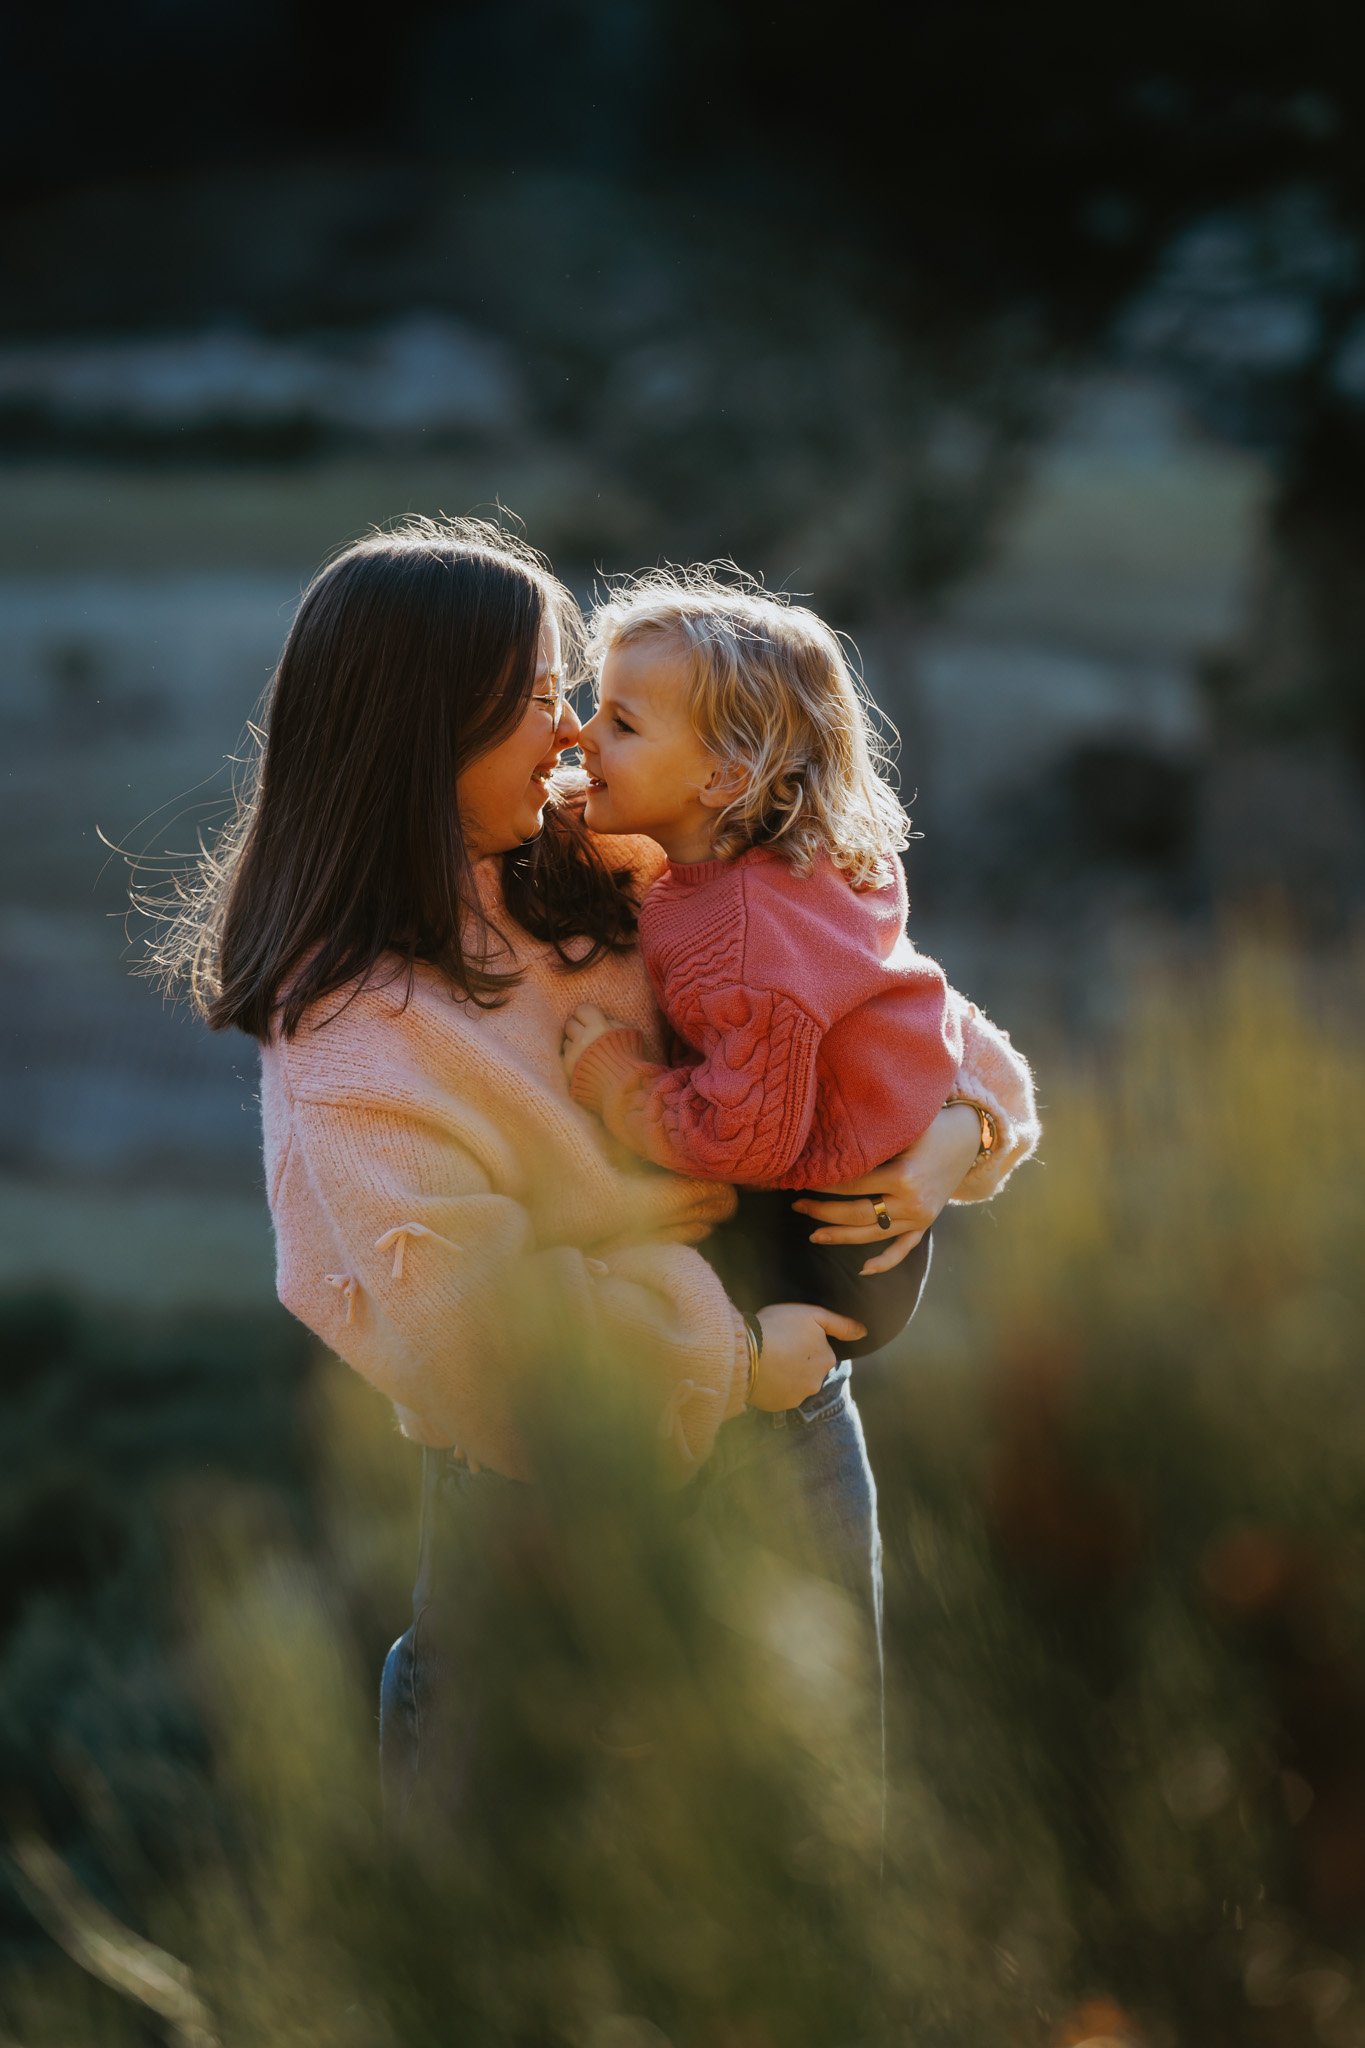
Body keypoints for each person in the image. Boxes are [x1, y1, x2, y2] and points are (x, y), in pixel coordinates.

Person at [150, 515, 1039, 1835]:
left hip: (795, 1448)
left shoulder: (612, 858)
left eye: (576, 696)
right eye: (533, 700)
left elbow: (884, 1002)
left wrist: (958, 1127)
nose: (571, 731)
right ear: (425, 728)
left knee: (808, 1881)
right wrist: (739, 1356)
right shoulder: (351, 1033)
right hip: (554, 1513)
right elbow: (478, 1336)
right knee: (535, 1908)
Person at [561, 567, 1027, 1362]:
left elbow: (742, 1141)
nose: (582, 735)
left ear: (724, 776)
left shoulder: (752, 943)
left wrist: (616, 1084)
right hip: (857, 1219)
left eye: (622, 724)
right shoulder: (801, 862)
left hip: (815, 1260)